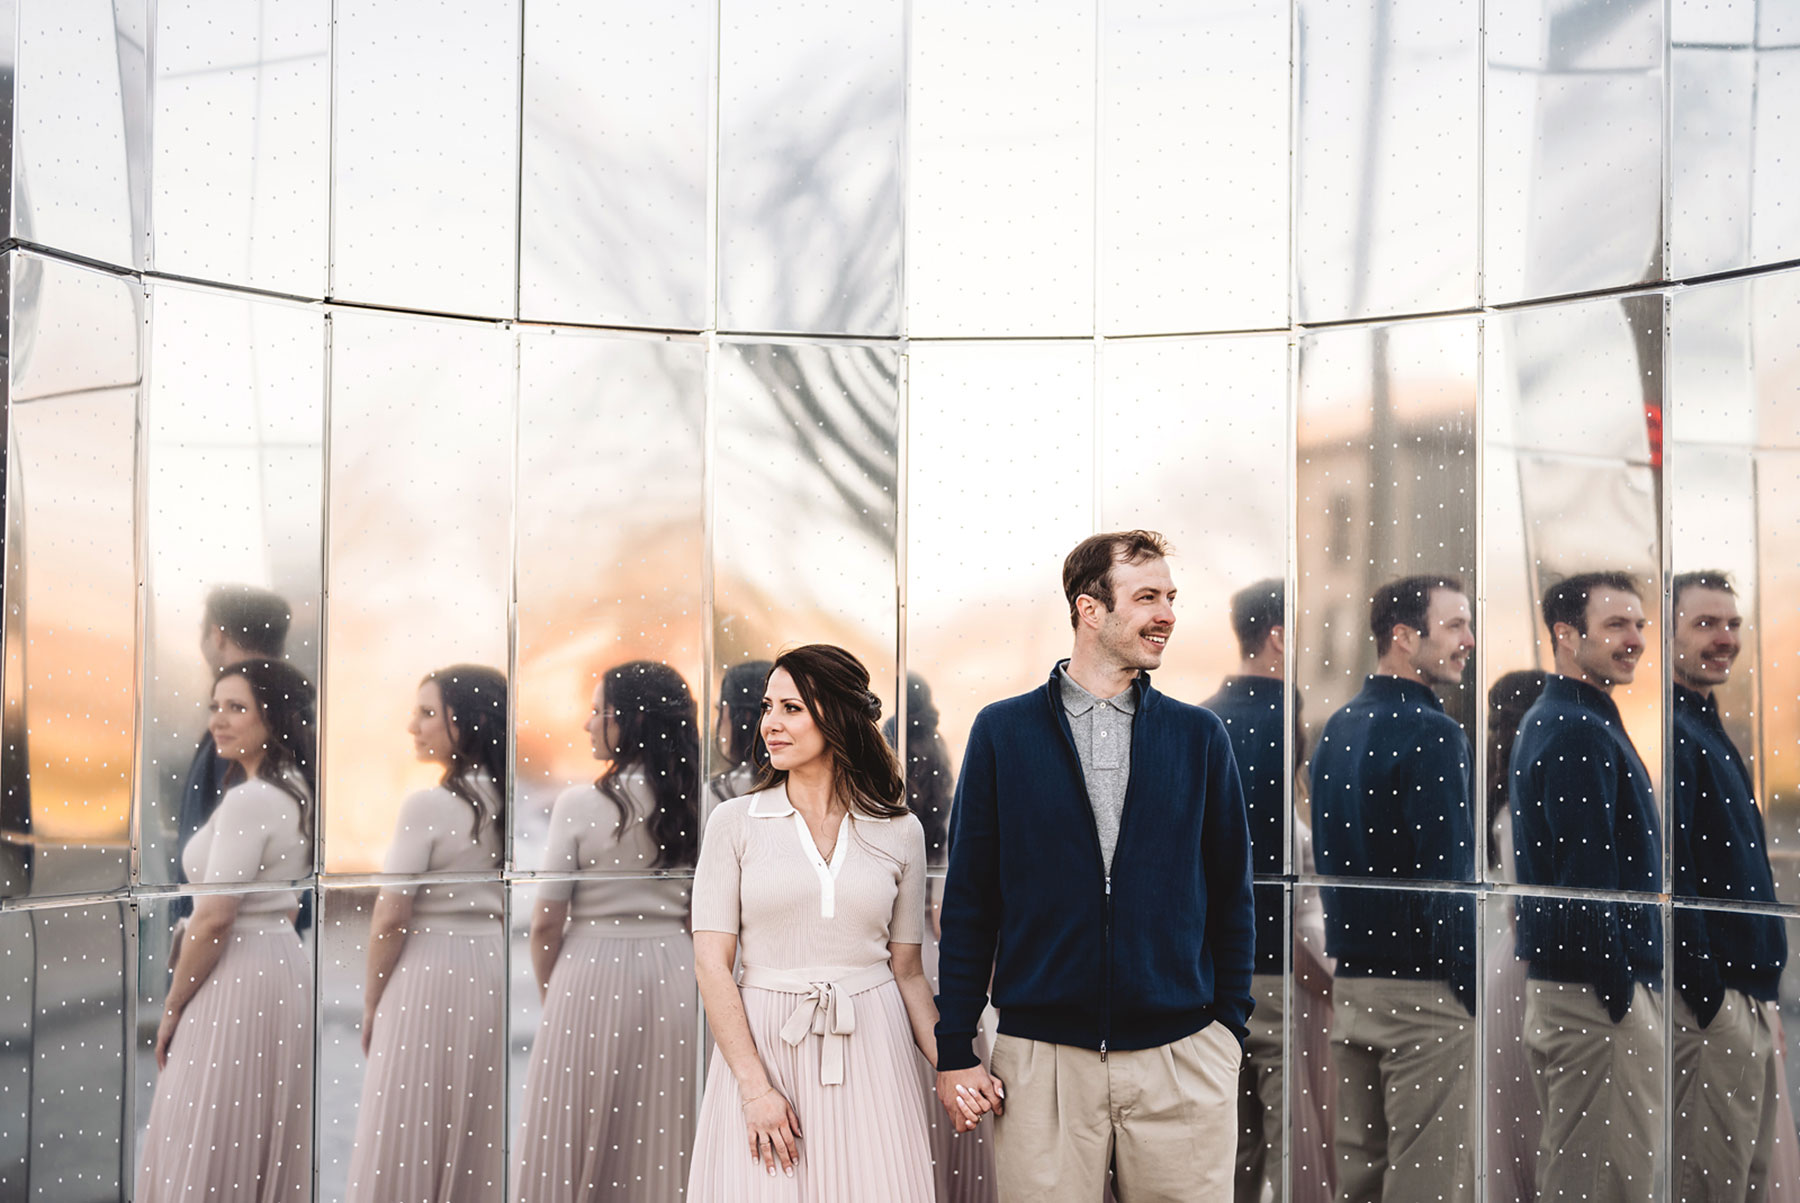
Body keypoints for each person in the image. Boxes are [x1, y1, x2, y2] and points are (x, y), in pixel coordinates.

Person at [936, 530, 1254, 1203]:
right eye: (1146, 597)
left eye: (1171, 596)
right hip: (1041, 1063)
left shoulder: (1201, 739)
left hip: (1181, 1059)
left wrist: (1225, 1030)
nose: (1167, 612)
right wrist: (956, 1045)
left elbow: (1233, 897)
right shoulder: (1002, 732)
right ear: (1089, 608)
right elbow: (970, 903)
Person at [686, 644, 943, 1200]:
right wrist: (755, 1090)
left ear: (838, 716)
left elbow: (909, 972)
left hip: (875, 1051)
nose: (770, 725)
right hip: (765, 1050)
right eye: (766, 707)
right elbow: (712, 964)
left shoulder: (901, 831)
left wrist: (958, 1065)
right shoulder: (733, 823)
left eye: (792, 709)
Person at [1310, 575, 1478, 1202]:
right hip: (1426, 995)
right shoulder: (1436, 733)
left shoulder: (1338, 727)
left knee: (1359, 1178)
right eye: (1455, 625)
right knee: (1428, 1183)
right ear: (1404, 638)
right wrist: (1461, 986)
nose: (1468, 639)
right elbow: (1449, 875)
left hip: (1354, 986)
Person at [512, 661, 701, 1203]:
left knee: (576, 1130)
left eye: (600, 712)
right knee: (662, 1131)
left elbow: (547, 920)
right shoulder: (699, 805)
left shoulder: (578, 805)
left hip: (589, 972)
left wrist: (557, 994)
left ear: (632, 720)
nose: (588, 724)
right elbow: (700, 919)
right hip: (674, 972)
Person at [136, 659, 315, 1203]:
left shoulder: (250, 799)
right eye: (215, 706)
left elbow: (215, 916)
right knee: (251, 1130)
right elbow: (282, 906)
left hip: (234, 976)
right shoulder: (296, 791)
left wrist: (171, 1010)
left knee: (205, 1131)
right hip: (277, 968)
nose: (219, 720)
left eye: (237, 707)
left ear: (273, 717)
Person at [1509, 572, 1662, 1203]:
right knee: (1603, 1181)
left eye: (1638, 625)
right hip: (1593, 1001)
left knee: (1598, 1174)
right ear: (1566, 637)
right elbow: (1587, 879)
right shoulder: (1574, 729)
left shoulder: (1575, 719)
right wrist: (1620, 993)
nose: (1634, 639)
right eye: (1615, 625)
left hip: (1585, 994)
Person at [345, 664, 509, 1203]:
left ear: (468, 722)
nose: (413, 726)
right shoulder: (508, 804)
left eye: (428, 713)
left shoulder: (427, 805)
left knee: (406, 1123)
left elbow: (391, 916)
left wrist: (372, 1004)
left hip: (428, 972)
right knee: (468, 1123)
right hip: (486, 967)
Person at [1668, 572, 1787, 1199]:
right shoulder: (1676, 735)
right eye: (1706, 624)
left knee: (1744, 1180)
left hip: (1744, 1002)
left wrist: (1758, 1000)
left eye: (1732, 624)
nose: (1725, 638)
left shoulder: (1708, 728)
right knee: (1709, 1182)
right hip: (1713, 1008)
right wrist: (1710, 999)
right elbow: (1674, 872)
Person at [1199, 578, 1290, 1203]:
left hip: (1203, 968)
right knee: (1289, 1138)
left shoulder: (1201, 718)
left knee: (1224, 1141)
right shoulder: (1287, 718)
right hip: (1277, 966)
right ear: (1279, 639)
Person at [174, 585, 291, 898]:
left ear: (217, 635)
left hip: (226, 931)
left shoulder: (236, 734)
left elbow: (218, 897)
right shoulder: (295, 715)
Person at [708, 659, 773, 806]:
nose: (716, 722)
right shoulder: (799, 787)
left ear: (745, 716)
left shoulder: (718, 792)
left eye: (720, 710)